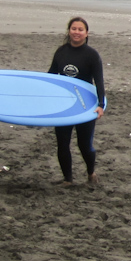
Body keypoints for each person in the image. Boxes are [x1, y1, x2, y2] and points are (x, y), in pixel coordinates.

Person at [48, 17, 105, 185]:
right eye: (74, 28)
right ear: (69, 31)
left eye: (80, 29)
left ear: (86, 33)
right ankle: (67, 179)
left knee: (84, 144)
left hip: (84, 105)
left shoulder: (92, 55)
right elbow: (51, 76)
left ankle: (91, 172)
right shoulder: (61, 51)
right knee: (62, 143)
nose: (76, 32)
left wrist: (101, 105)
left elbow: (99, 81)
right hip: (64, 105)